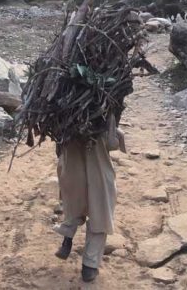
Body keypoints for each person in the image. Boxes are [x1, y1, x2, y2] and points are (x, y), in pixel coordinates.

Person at [53, 113, 124, 283]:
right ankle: (89, 267)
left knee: (74, 206)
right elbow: (111, 143)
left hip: (71, 169)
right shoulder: (105, 110)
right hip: (98, 171)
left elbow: (58, 142)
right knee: (100, 214)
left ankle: (67, 240)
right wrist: (118, 133)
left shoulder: (63, 110)